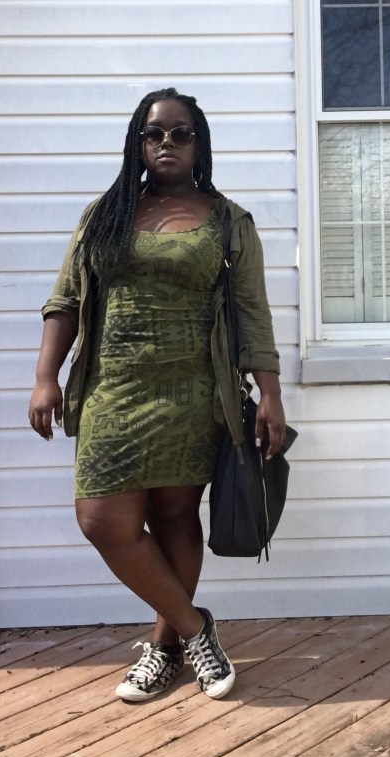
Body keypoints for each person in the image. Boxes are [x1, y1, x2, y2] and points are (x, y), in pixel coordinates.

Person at [28, 87, 286, 702]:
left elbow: (253, 314)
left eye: (180, 133)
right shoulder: (105, 215)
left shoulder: (228, 220)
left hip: (194, 395)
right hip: (112, 390)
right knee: (102, 519)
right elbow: (65, 300)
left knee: (174, 518)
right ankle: (197, 630)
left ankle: (165, 649)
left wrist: (271, 394)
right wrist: (45, 377)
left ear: (199, 143)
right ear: (137, 143)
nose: (166, 143)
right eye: (154, 133)